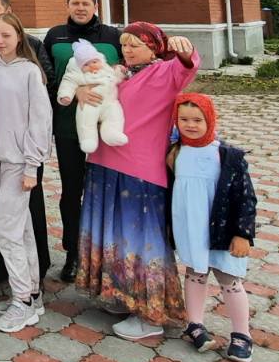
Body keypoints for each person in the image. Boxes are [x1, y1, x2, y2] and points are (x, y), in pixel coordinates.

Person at [76, 21, 198, 340]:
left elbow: (188, 65)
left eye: (135, 44)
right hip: (104, 164)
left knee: (139, 239)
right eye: (125, 44)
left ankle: (150, 312)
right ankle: (122, 294)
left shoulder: (164, 72)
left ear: (153, 47)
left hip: (140, 169)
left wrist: (180, 46)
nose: (127, 49)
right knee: (112, 233)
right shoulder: (117, 73)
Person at [37, 0, 122, 282]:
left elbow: (125, 76)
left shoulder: (113, 37)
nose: (81, 8)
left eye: (86, 3)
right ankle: (73, 253)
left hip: (105, 129)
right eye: (75, 3)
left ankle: (104, 255)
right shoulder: (55, 36)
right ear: (67, 5)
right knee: (72, 191)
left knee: (104, 191)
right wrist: (75, 92)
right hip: (67, 128)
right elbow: (45, 78)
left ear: (95, 5)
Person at [169, 94, 256, 362]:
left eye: (197, 120)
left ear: (210, 119)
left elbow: (245, 196)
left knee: (229, 279)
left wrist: (243, 233)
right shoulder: (175, 152)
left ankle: (242, 333)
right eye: (184, 119)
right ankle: (194, 324)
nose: (190, 125)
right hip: (192, 228)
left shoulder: (226, 155)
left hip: (221, 229)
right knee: (195, 273)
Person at [0, 15, 53, 332]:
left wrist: (32, 165)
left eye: (5, 35)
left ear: (18, 36)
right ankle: (34, 293)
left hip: (18, 162)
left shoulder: (30, 71)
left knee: (5, 230)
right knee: (22, 229)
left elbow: (40, 120)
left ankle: (22, 301)